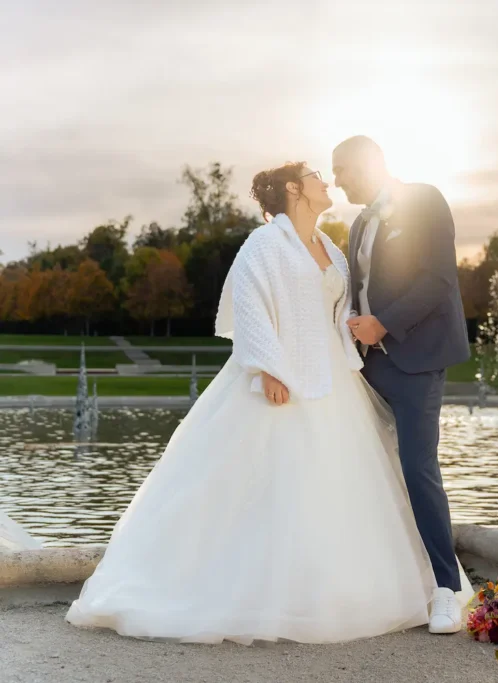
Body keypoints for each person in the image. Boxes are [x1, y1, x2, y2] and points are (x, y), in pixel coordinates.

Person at [66, 161, 471, 645]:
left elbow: (346, 308)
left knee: (337, 484)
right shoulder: (264, 244)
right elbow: (248, 303)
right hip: (281, 376)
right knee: (267, 482)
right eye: (319, 175)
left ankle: (351, 584)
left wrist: (361, 333)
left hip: (334, 380)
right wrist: (267, 367)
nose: (330, 182)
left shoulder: (332, 249)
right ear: (294, 189)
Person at [333, 136, 471, 635]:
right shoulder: (359, 223)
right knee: (354, 464)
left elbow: (437, 281)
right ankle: (371, 578)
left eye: (343, 168)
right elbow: (362, 288)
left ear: (370, 163)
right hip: (367, 364)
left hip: (416, 362)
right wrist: (353, 322)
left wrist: (383, 324)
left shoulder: (425, 201)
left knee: (418, 468)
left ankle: (446, 591)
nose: (336, 179)